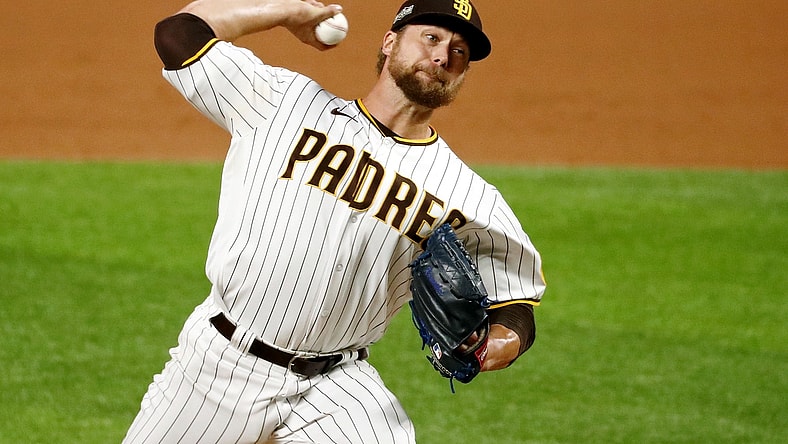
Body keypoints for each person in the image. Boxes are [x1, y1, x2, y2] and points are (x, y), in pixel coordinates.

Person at [124, 0, 546, 442]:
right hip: (219, 365)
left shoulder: (469, 195)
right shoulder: (282, 103)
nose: (443, 56)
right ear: (389, 42)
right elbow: (179, 33)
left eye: (460, 52)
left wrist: (491, 347)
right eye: (431, 38)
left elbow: (516, 306)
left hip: (335, 385)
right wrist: (287, 12)